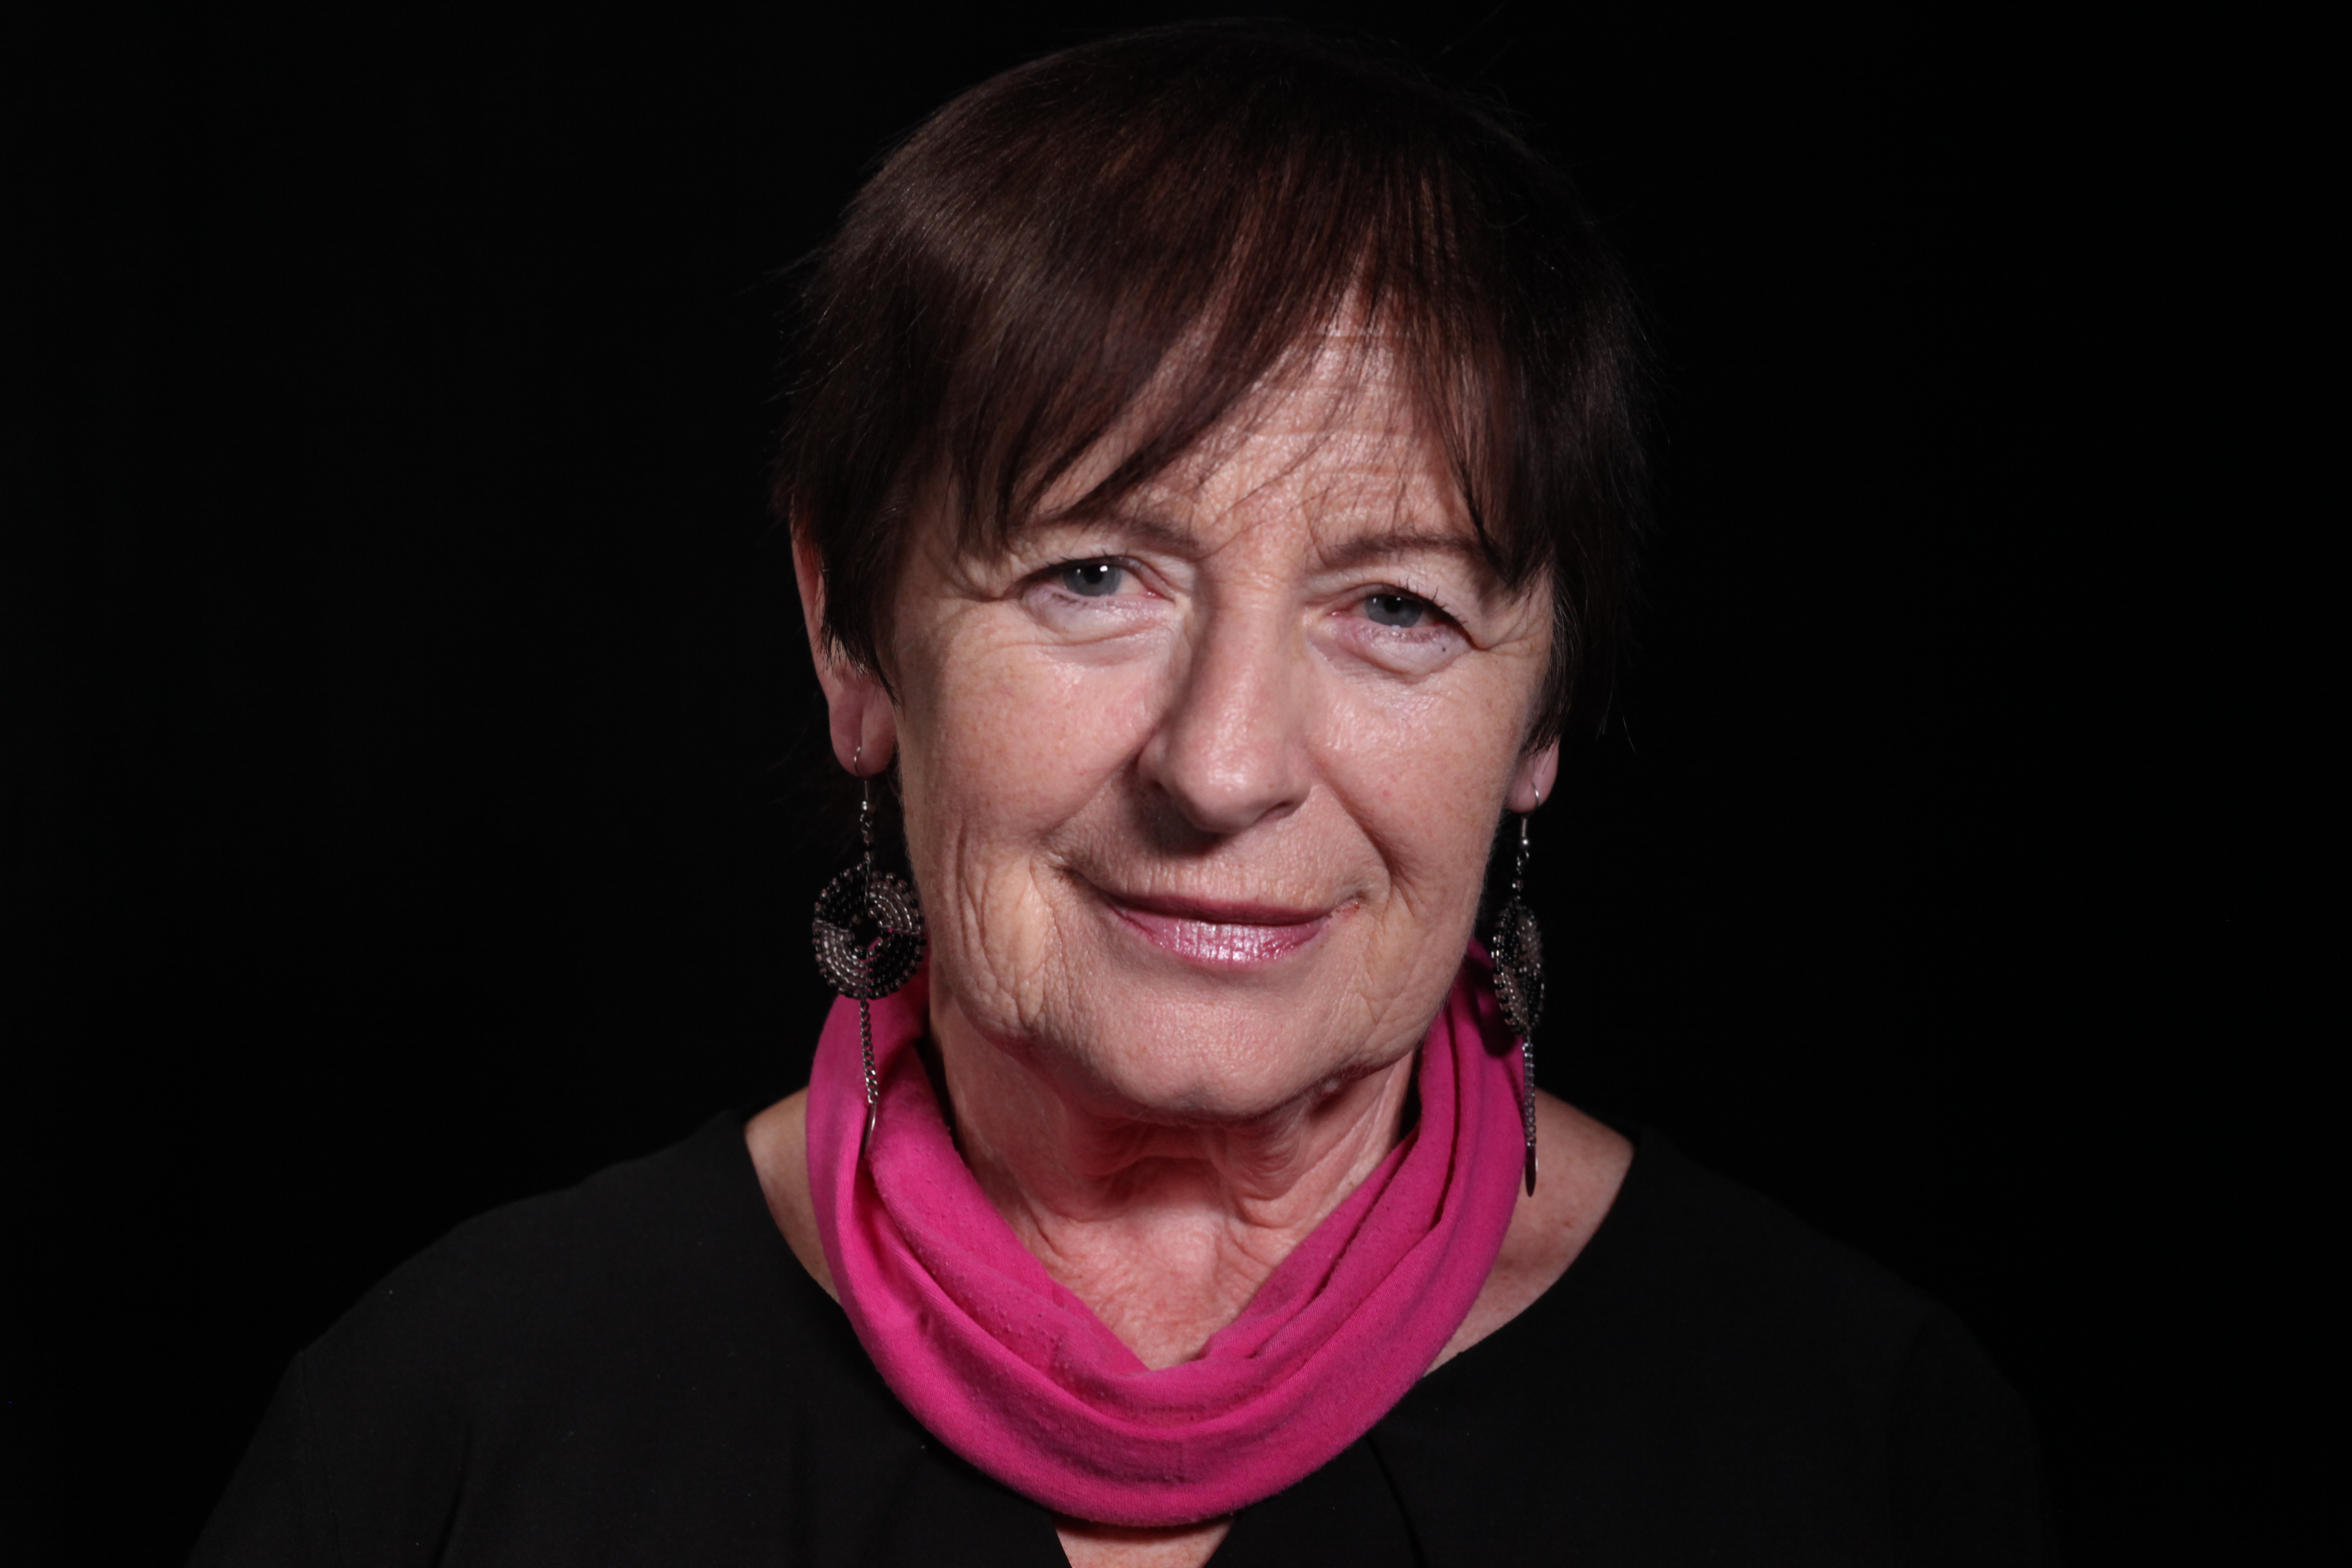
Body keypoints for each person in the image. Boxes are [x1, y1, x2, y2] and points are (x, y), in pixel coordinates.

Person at [192, 22, 2047, 1566]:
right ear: (852, 638)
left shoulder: (1856, 1445)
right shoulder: (450, 1423)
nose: (1224, 768)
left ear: (1542, 711)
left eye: (1396, 608)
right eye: (1094, 575)